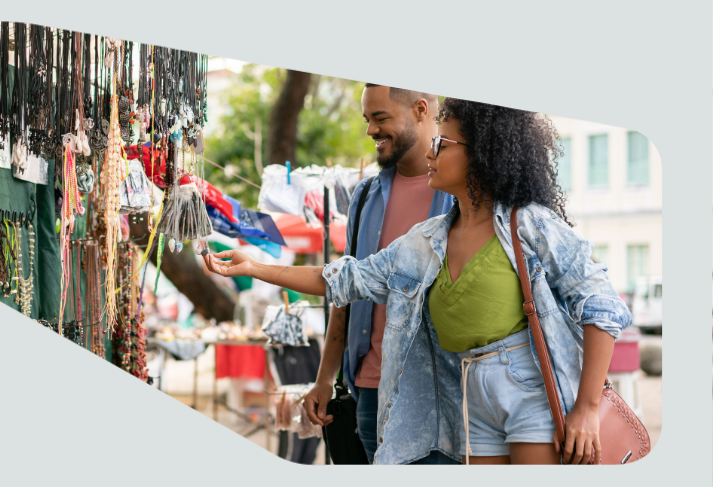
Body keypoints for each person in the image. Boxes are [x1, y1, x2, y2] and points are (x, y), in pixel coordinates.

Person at [203, 98, 631, 465]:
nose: (430, 152)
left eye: (442, 144)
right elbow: (347, 278)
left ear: (481, 154)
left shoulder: (528, 224)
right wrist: (254, 267)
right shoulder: (427, 240)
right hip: (469, 394)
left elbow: (601, 305)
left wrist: (586, 408)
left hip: (530, 388)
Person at [299, 84, 455, 465]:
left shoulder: (458, 191)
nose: (370, 130)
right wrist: (325, 377)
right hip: (368, 393)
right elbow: (347, 288)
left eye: (380, 118)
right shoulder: (365, 195)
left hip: (437, 395)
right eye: (367, 119)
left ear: (421, 109)